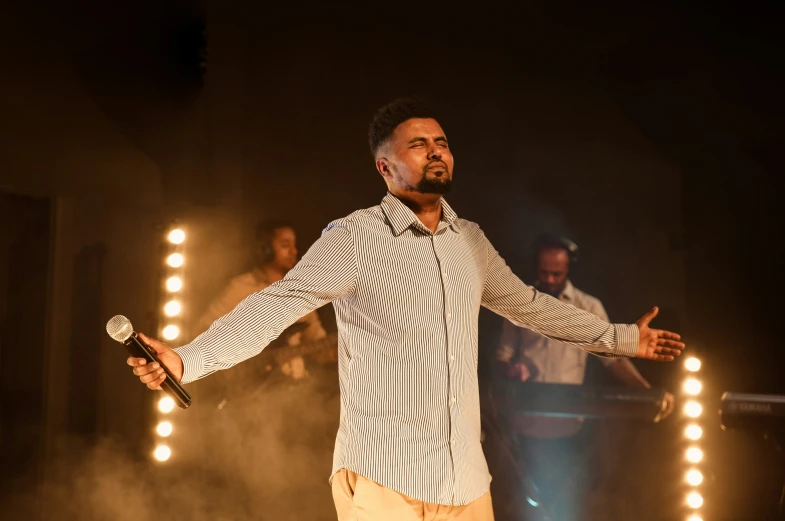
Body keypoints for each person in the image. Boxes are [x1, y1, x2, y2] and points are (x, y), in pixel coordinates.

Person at [127, 98, 685, 521]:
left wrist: (621, 338)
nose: (436, 149)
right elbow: (273, 307)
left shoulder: (470, 240)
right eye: (418, 144)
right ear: (384, 167)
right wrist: (186, 359)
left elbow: (531, 307)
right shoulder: (352, 238)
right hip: (381, 482)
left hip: (465, 484)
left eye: (441, 141)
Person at [496, 234, 676, 520]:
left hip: (569, 427)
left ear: (569, 269)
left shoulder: (587, 306)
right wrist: (513, 370)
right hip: (525, 425)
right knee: (522, 503)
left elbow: (613, 358)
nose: (551, 279)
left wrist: (646, 391)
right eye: (544, 272)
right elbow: (502, 358)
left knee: (566, 501)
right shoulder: (520, 301)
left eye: (557, 273)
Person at [196, 220, 331, 382]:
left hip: (295, 391)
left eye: (294, 245)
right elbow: (203, 329)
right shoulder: (241, 286)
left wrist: (338, 350)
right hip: (252, 390)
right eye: (285, 245)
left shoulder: (300, 293)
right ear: (265, 249)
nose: (294, 251)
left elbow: (318, 347)